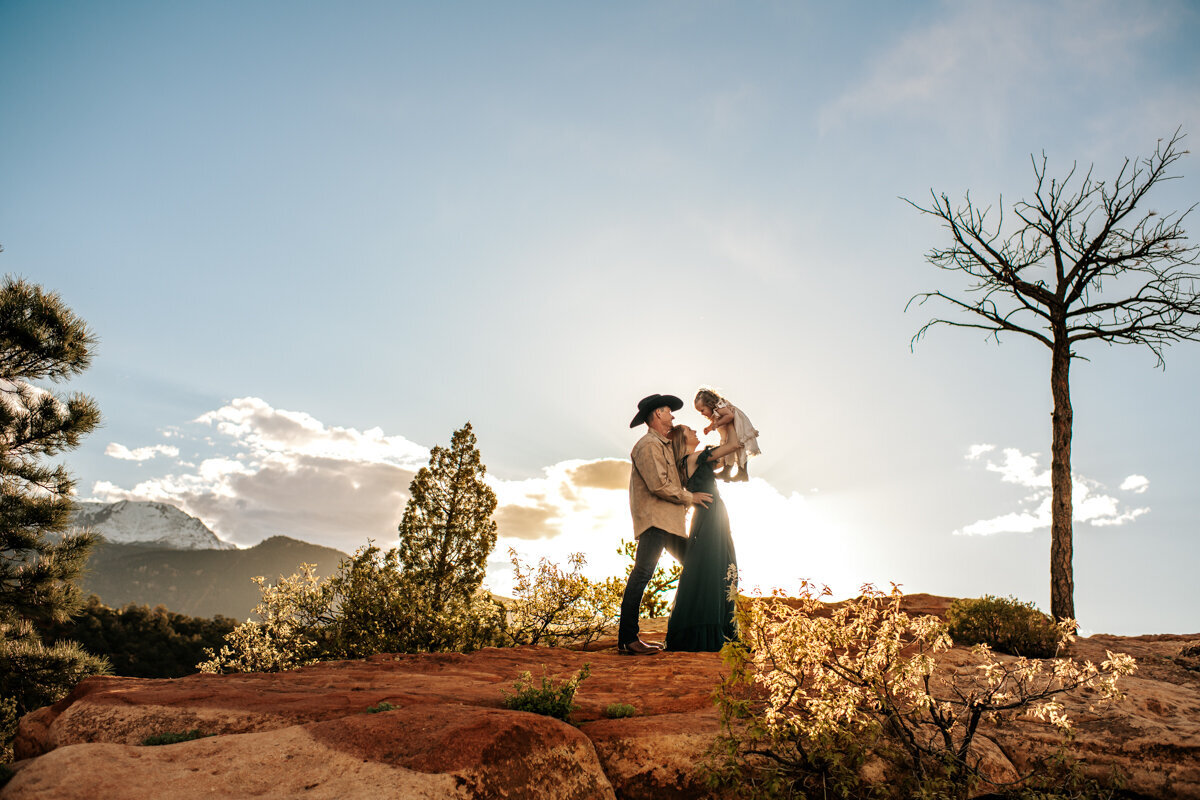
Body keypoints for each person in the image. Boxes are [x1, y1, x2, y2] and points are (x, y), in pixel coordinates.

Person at [620, 393, 713, 656]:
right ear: (658, 413)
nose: (672, 416)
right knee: (642, 574)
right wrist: (690, 497)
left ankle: (692, 630)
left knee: (696, 567)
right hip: (655, 521)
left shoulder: (663, 445)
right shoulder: (648, 445)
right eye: (669, 411)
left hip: (669, 522)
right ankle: (628, 639)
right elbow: (659, 485)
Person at [665, 424, 742, 652]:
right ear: (682, 439)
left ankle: (718, 629)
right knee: (715, 568)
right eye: (690, 431)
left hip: (712, 515)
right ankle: (710, 632)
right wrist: (726, 422)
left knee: (719, 567)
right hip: (710, 517)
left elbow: (729, 455)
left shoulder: (695, 460)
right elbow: (733, 445)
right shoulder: (695, 457)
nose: (696, 432)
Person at [694, 387, 760, 481]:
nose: (702, 413)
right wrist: (709, 428)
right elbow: (718, 420)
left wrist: (717, 424)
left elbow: (730, 416)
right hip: (731, 429)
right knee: (729, 450)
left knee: (738, 449)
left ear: (709, 404)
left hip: (738, 427)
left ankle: (742, 473)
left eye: (702, 410)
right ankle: (727, 472)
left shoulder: (720, 408)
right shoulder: (717, 410)